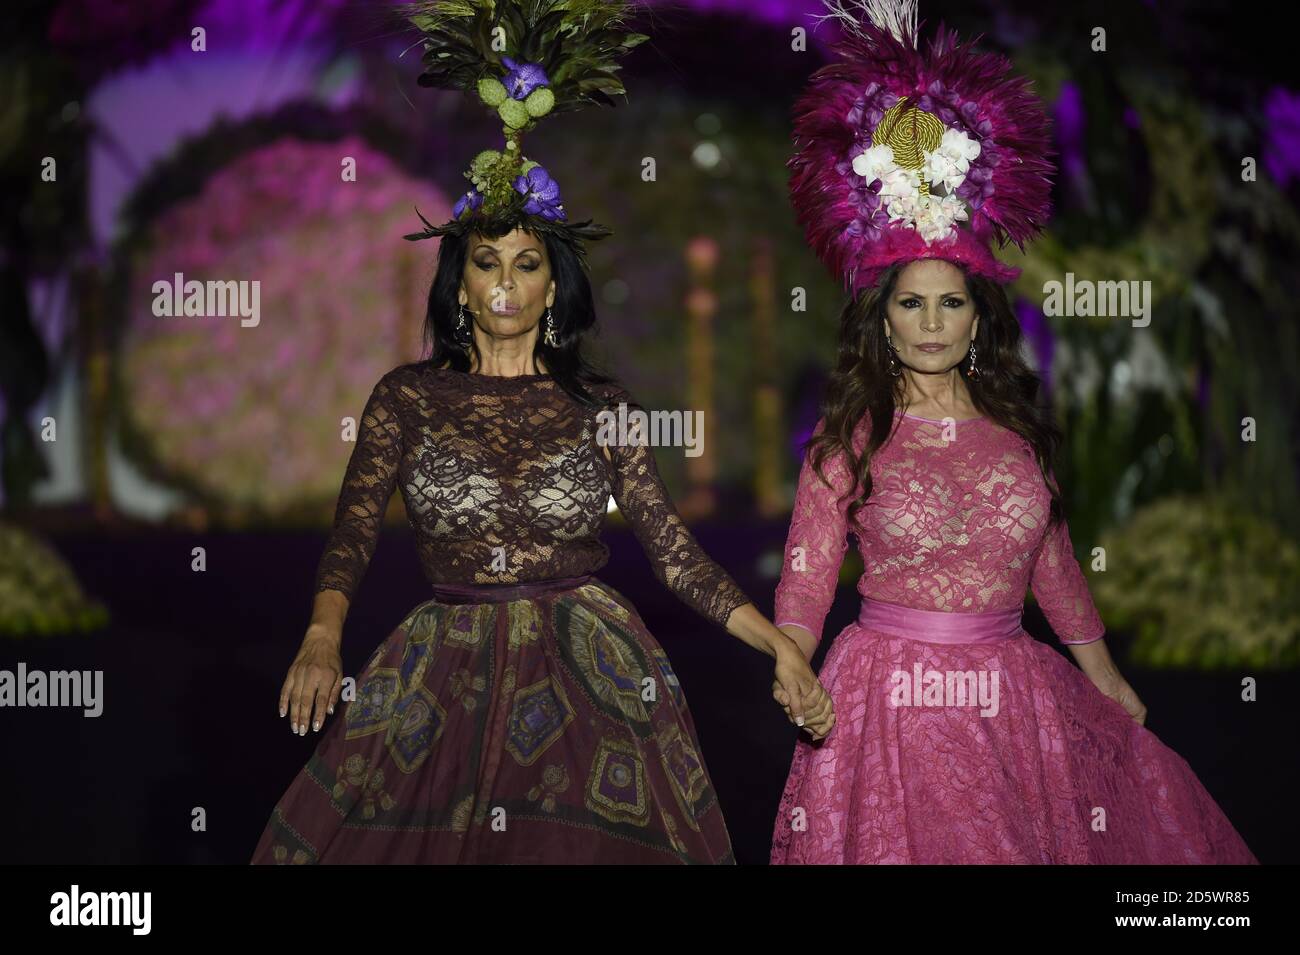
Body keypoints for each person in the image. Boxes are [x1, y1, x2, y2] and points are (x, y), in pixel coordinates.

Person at [251, 0, 831, 864]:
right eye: (487, 261)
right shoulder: (405, 399)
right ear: (458, 282)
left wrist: (778, 644)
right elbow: (354, 532)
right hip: (440, 669)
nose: (505, 283)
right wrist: (323, 635)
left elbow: (674, 554)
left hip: (588, 672)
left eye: (527, 264)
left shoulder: (602, 404)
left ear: (552, 288)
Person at [767, 0, 1258, 864]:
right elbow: (807, 579)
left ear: (975, 318)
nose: (929, 322)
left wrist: (1103, 675)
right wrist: (793, 664)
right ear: (884, 323)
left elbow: (1055, 564)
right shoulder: (851, 434)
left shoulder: (1017, 432)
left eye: (949, 302)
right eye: (910, 304)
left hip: (1016, 703)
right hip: (892, 708)